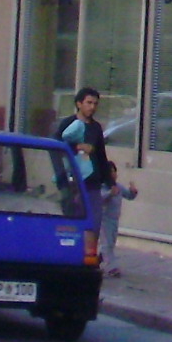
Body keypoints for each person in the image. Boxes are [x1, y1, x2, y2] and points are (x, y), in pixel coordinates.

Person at [61, 87, 135, 276]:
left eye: (95, 104)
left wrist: (110, 182)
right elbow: (57, 146)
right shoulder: (68, 124)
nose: (92, 107)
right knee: (70, 223)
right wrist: (77, 147)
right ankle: (70, 259)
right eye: (89, 103)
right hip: (72, 182)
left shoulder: (95, 128)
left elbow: (101, 156)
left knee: (93, 224)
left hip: (92, 183)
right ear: (79, 104)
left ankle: (90, 261)